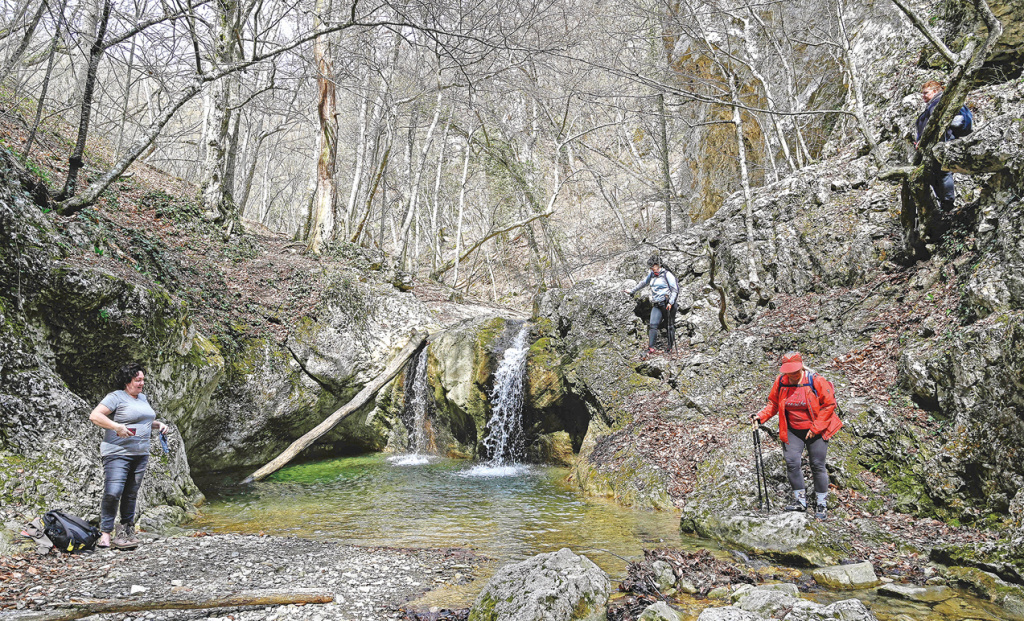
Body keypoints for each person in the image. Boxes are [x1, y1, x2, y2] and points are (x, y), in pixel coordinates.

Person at [750, 352, 841, 520]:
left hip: (817, 428)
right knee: (792, 463)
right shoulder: (781, 382)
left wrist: (816, 428)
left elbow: (829, 405)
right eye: (789, 372)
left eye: (795, 371)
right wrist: (760, 416)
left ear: (801, 367)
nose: (792, 375)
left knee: (817, 465)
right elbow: (773, 403)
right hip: (792, 429)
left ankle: (821, 504)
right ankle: (800, 501)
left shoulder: (815, 380)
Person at [88, 363, 171, 549]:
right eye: (138, 380)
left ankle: (126, 531)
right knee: (113, 492)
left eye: (143, 380)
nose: (142, 383)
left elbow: (143, 421)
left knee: (131, 494)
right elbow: (95, 416)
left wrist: (158, 425)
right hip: (117, 453)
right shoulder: (116, 397)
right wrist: (116, 427)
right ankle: (105, 534)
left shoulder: (142, 398)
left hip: (140, 453)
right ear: (127, 381)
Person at [915, 80, 971, 212]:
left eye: (925, 93)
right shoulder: (934, 104)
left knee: (943, 173)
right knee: (937, 173)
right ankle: (944, 204)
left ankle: (947, 205)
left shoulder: (939, 104)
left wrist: (923, 140)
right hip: (935, 144)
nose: (923, 96)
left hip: (941, 143)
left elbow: (937, 125)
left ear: (935, 91)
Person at [628, 254, 679, 354]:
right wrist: (632, 291)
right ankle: (651, 348)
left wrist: (671, 302)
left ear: (658, 265)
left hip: (667, 304)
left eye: (652, 266)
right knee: (653, 325)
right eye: (650, 266)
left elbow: (675, 289)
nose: (651, 268)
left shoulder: (667, 274)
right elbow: (643, 283)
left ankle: (670, 347)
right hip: (657, 304)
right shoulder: (651, 274)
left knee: (669, 325)